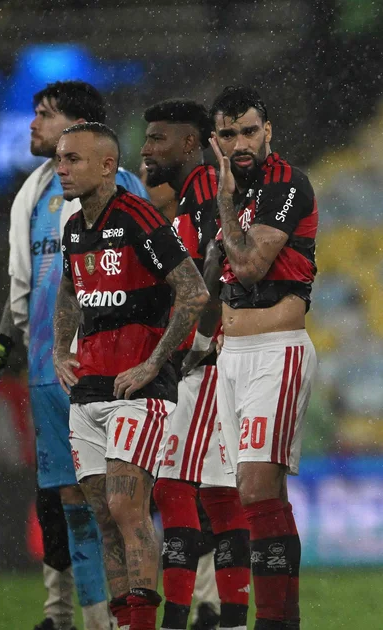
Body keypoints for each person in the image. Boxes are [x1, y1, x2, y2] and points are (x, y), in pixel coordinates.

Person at [0, 80, 147, 630]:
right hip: (50, 370)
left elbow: (154, 274)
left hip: (111, 369)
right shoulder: (32, 193)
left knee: (120, 504)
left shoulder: (125, 188)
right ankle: (93, 619)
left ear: (77, 127)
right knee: (72, 504)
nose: (33, 124)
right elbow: (22, 287)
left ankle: (136, 614)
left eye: (45, 114)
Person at [53, 122, 208, 630]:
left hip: (138, 390)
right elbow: (69, 289)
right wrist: (59, 349)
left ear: (106, 166)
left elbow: (193, 291)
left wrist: (154, 362)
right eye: (60, 159)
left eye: (73, 159)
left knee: (126, 507)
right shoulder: (74, 228)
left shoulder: (138, 217)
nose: (61, 169)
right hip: (89, 389)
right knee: (103, 517)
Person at [207, 85, 319, 630]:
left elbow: (250, 266)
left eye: (249, 131)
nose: (240, 144)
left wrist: (225, 201)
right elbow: (214, 274)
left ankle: (271, 620)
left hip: (277, 349)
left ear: (268, 131)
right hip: (231, 354)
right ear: (215, 139)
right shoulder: (226, 190)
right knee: (261, 492)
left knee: (254, 487)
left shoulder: (287, 183)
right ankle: (282, 620)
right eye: (228, 134)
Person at [140, 99, 251, 630]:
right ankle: (231, 620)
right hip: (211, 354)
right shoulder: (193, 195)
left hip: (205, 356)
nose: (147, 149)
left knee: (173, 487)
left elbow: (217, 263)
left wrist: (197, 343)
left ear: (189, 143)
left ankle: (178, 619)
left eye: (157, 139)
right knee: (220, 495)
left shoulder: (206, 188)